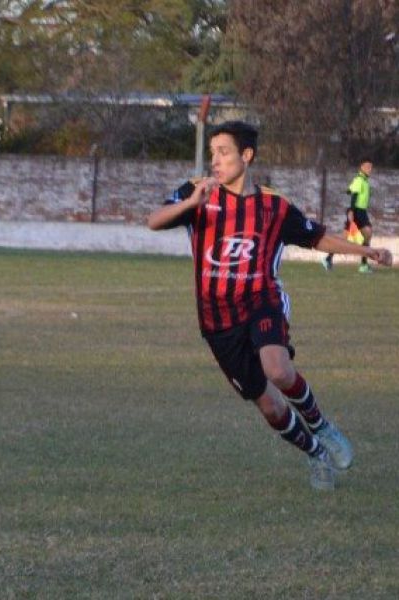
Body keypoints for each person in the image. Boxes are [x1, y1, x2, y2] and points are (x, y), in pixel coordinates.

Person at [147, 121, 392, 491]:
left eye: (224, 152)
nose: (216, 160)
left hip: (261, 301)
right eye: (212, 152)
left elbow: (318, 238)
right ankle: (316, 454)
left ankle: (322, 426)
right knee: (271, 408)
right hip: (217, 322)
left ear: (246, 156)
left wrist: (367, 250)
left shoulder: (273, 206)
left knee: (277, 369)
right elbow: (154, 221)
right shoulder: (196, 193)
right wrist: (190, 203)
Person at [322, 159, 375, 272]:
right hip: (356, 211)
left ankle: (363, 265)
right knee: (348, 239)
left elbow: (349, 191)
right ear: (361, 167)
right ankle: (329, 258)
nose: (370, 169)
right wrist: (351, 211)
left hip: (362, 212)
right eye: (367, 166)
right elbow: (353, 195)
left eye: (371, 167)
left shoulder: (364, 181)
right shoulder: (359, 180)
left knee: (366, 235)